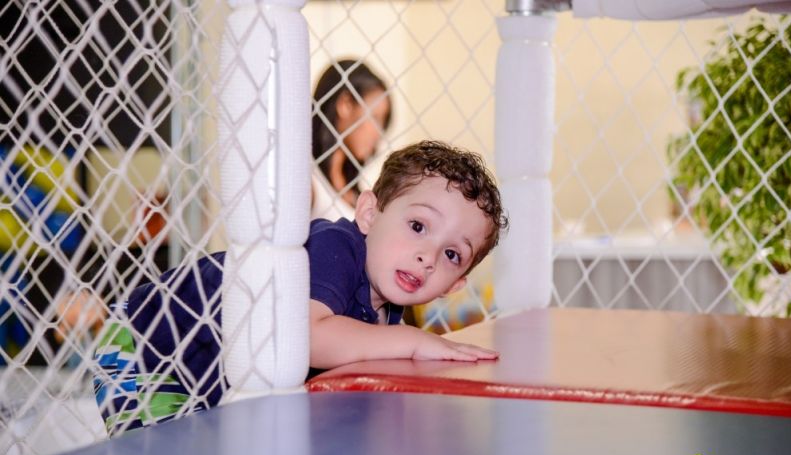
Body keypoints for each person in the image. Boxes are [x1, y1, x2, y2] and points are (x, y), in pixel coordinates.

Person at [93, 141, 508, 435]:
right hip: (146, 345)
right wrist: (411, 341)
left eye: (452, 254)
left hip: (206, 369)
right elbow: (304, 338)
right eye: (418, 226)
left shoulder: (387, 302)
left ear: (456, 284)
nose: (428, 256)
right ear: (368, 214)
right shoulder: (333, 247)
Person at [312, 59, 391, 221]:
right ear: (345, 104)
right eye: (375, 118)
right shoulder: (307, 180)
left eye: (382, 123)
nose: (378, 133)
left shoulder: (357, 192)